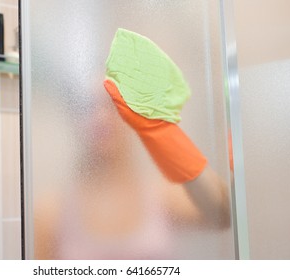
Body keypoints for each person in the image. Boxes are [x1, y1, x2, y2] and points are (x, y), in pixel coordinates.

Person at [33, 81, 230, 260]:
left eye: (113, 106)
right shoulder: (51, 211)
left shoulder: (162, 196)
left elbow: (224, 215)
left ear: (132, 116)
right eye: (87, 107)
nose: (100, 117)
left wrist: (165, 134)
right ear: (74, 121)